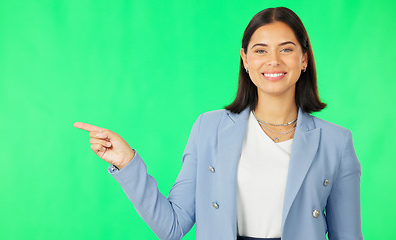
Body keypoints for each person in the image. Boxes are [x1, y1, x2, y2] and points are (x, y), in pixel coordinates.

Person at [74, 7, 362, 240]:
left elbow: (347, 236)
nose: (273, 61)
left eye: (286, 49)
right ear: (245, 60)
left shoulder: (336, 142)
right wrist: (127, 162)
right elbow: (172, 227)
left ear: (303, 59)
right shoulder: (209, 128)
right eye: (260, 50)